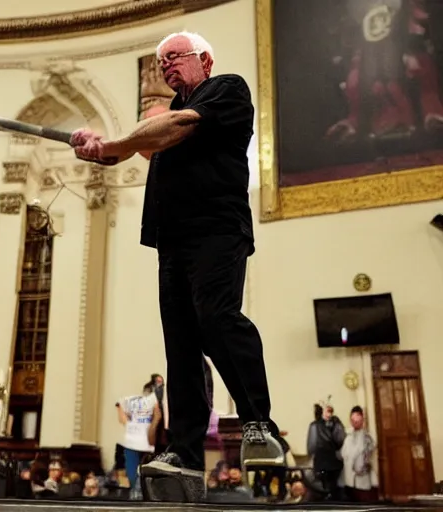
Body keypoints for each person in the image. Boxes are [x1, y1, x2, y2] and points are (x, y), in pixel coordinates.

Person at [71, 31, 283, 500]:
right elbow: (140, 147)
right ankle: (185, 452)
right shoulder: (164, 117)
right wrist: (97, 147)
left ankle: (258, 422)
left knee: (216, 319)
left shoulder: (225, 89)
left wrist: (113, 145)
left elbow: (170, 130)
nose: (165, 65)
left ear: (204, 59)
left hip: (217, 229)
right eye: (160, 61)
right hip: (173, 239)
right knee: (181, 343)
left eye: (175, 58)